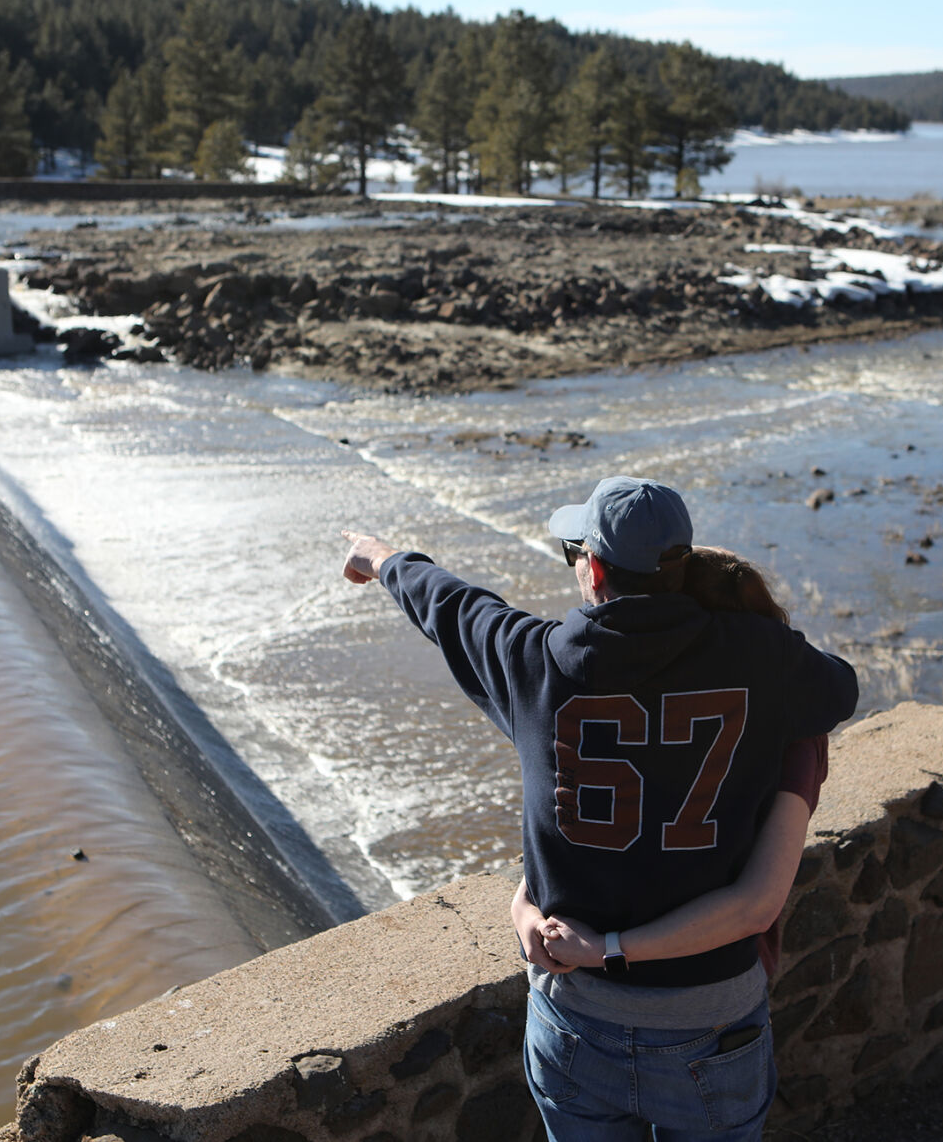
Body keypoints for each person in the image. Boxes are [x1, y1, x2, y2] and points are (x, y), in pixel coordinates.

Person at [340, 477, 859, 1141]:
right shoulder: (758, 659)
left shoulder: (532, 662)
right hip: (711, 1023)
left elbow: (449, 604)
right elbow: (837, 688)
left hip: (576, 1023)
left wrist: (380, 556)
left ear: (595, 569)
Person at [512, 548, 827, 980]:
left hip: (684, 991)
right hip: (713, 992)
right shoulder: (786, 715)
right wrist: (525, 901)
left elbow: (756, 905)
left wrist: (604, 950)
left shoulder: (790, 732)